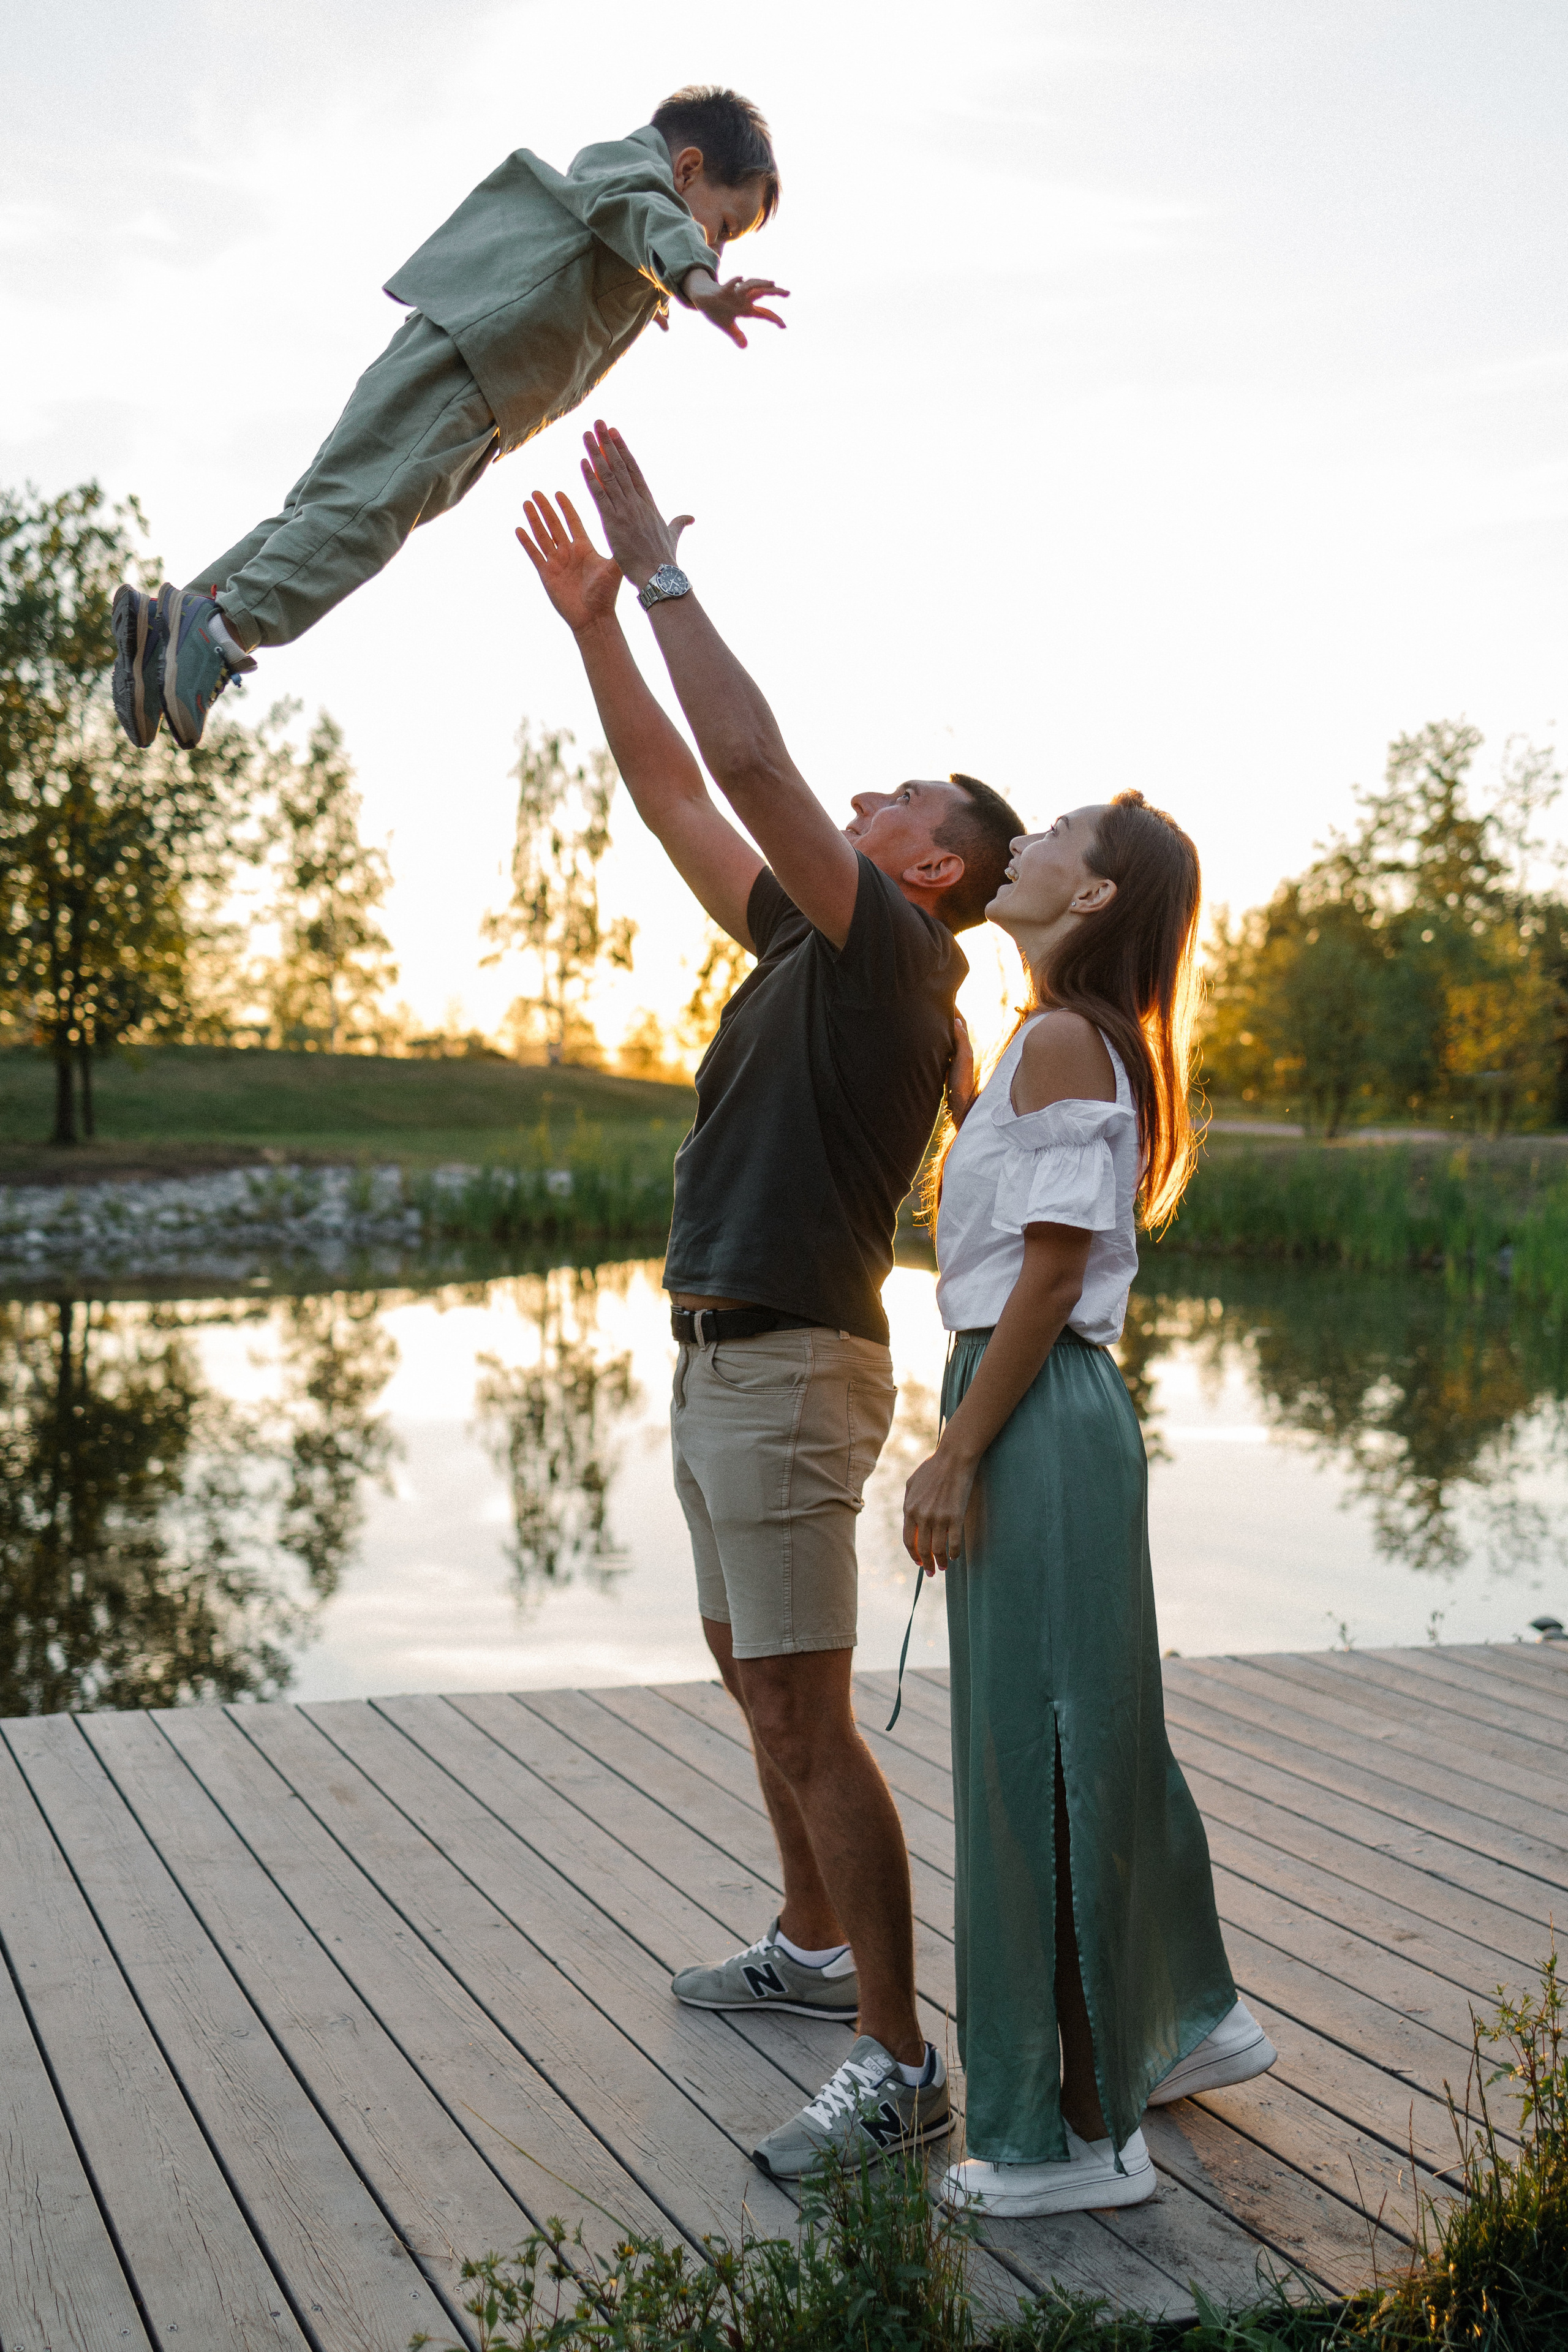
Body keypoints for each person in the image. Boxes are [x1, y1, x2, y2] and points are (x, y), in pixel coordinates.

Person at [514, 423, 1023, 2179]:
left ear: (936, 869)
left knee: (804, 1710)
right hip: (723, 1352)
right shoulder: (814, 941)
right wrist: (593, 627)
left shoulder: (898, 955)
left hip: (797, 1368)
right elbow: (678, 795)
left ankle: (898, 2061)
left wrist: (659, 571)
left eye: (901, 806)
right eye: (867, 798)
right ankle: (812, 1953)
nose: (862, 806)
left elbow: (743, 757)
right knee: (758, 1682)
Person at [901, 794, 1276, 2220]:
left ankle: (1077, 2136)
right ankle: (1174, 2019)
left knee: (1039, 1755)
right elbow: (1021, 1222)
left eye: (1050, 832)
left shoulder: (1064, 1038)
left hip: (1030, 1405)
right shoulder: (1056, 1039)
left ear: (1097, 890)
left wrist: (950, 1453)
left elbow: (1048, 1279)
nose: (1022, 844)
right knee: (1085, 1727)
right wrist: (957, 1074)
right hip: (1051, 1408)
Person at [110, 86, 786, 753]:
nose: (718, 252)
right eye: (723, 228)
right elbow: (646, 215)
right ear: (688, 169)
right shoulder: (638, 185)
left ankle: (166, 633)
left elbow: (633, 234)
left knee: (325, 511)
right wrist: (700, 285)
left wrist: (671, 287)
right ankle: (220, 633)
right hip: (471, 372)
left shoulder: (625, 201)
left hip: (455, 361)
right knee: (366, 520)